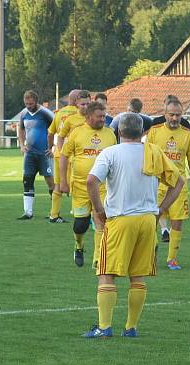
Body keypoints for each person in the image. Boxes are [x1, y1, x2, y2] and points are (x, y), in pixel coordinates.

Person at [82, 113, 184, 338]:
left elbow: (91, 181)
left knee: (106, 272)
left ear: (118, 131)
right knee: (138, 276)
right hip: (148, 220)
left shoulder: (110, 153)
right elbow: (179, 182)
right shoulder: (154, 152)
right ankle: (131, 328)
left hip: (121, 219)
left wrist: (99, 210)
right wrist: (159, 208)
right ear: (142, 132)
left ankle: (104, 327)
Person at [59, 101, 116, 267]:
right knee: (80, 224)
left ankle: (98, 259)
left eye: (104, 116)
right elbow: (63, 156)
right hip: (80, 187)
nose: (102, 119)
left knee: (102, 219)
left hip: (103, 186)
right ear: (89, 116)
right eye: (99, 116)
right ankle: (79, 245)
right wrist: (63, 181)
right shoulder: (76, 133)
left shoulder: (110, 134)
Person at [146, 99, 190, 270]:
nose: (175, 118)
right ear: (165, 114)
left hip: (178, 186)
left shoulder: (187, 134)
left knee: (177, 222)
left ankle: (172, 258)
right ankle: (148, 257)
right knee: (150, 221)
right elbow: (147, 157)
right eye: (171, 114)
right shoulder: (154, 132)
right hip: (156, 184)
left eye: (178, 115)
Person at [16, 90, 55, 220]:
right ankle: (28, 212)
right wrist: (22, 145)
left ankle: (54, 212)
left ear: (36, 101)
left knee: (50, 182)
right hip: (30, 154)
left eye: (31, 103)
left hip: (44, 153)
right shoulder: (23, 113)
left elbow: (56, 129)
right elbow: (20, 129)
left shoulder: (45, 113)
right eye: (26, 103)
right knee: (27, 180)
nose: (28, 106)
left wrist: (52, 147)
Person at [46, 89, 82, 223]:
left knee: (58, 184)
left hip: (59, 154)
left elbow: (50, 133)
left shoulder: (59, 113)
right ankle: (78, 213)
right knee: (77, 184)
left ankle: (54, 215)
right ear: (77, 99)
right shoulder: (80, 114)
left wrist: (50, 147)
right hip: (74, 154)